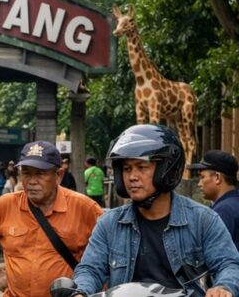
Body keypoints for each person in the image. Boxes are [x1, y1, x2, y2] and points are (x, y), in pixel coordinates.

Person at [74, 124, 239, 296]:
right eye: (126, 169)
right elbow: (90, 269)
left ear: (167, 170)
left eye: (142, 167)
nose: (132, 177)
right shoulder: (109, 224)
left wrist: (223, 287)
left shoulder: (203, 220)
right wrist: (80, 291)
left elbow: (228, 264)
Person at [0, 141, 103, 297]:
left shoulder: (84, 207)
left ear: (58, 175)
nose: (32, 181)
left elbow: (109, 252)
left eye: (40, 174)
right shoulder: (5, 205)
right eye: (26, 173)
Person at [188, 150, 239, 251]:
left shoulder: (224, 211)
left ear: (217, 177)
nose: (199, 184)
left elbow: (217, 255)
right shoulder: (233, 203)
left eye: (202, 177)